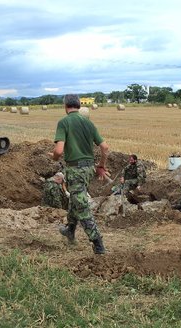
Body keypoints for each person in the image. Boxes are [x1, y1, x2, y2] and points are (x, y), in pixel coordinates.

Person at [50, 94, 110, 254]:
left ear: (65, 106)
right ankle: (70, 229)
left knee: (81, 205)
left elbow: (59, 150)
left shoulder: (64, 122)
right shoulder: (88, 123)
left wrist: (54, 156)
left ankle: (98, 243)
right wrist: (101, 166)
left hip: (75, 170)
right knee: (75, 200)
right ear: (78, 105)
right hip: (88, 169)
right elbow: (105, 147)